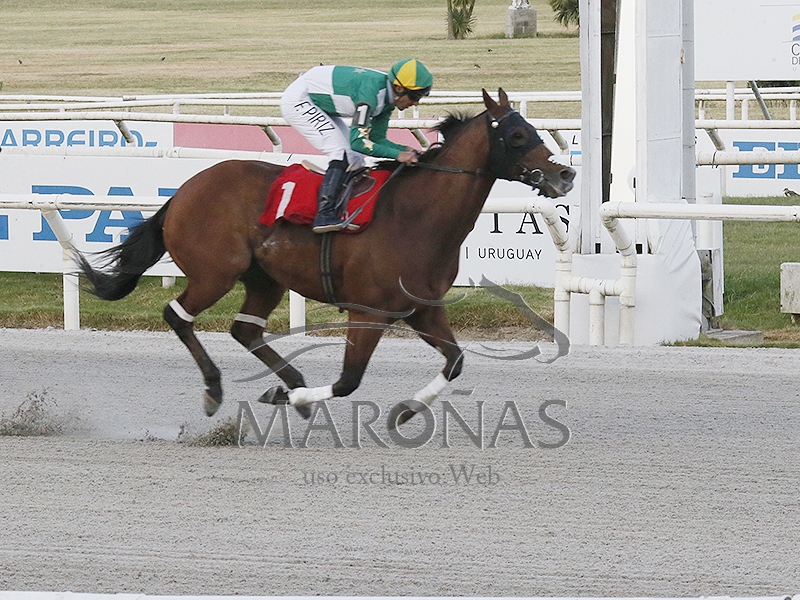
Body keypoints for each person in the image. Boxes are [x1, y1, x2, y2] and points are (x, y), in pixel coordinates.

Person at [280, 59, 433, 233]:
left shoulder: (388, 100)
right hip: (300, 100)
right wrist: (398, 156)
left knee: (356, 159)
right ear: (398, 88)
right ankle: (324, 215)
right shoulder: (370, 96)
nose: (416, 103)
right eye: (415, 96)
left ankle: (342, 209)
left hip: (319, 101)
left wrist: (403, 149)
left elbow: (376, 139)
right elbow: (358, 142)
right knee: (340, 151)